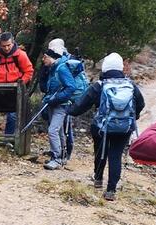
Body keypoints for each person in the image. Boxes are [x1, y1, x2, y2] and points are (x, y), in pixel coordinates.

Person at [68, 53, 145, 200]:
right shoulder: (130, 85)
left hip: (102, 127)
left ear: (105, 68)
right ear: (121, 68)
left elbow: (82, 104)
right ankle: (111, 190)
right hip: (124, 127)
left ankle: (98, 179)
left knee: (100, 150)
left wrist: (69, 111)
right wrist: (134, 117)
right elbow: (141, 104)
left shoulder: (100, 85)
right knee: (115, 155)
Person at [37, 39, 76, 159]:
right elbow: (47, 86)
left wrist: (56, 98)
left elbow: (71, 87)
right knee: (59, 131)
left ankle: (58, 156)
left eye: (45, 57)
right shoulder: (53, 67)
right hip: (54, 102)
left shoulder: (61, 68)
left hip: (62, 104)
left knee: (54, 130)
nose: (43, 61)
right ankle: (61, 154)